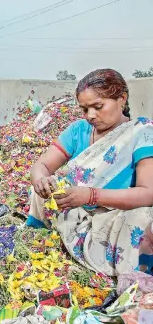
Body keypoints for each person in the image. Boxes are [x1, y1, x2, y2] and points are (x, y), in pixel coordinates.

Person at [28, 68, 153, 276]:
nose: (91, 116)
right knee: (41, 193)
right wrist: (41, 180)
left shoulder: (142, 134)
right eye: (85, 110)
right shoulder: (78, 131)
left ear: (122, 99)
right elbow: (41, 166)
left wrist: (92, 195)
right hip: (73, 211)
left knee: (142, 217)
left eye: (98, 106)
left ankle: (130, 277)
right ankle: (46, 243)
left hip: (113, 216)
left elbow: (148, 193)